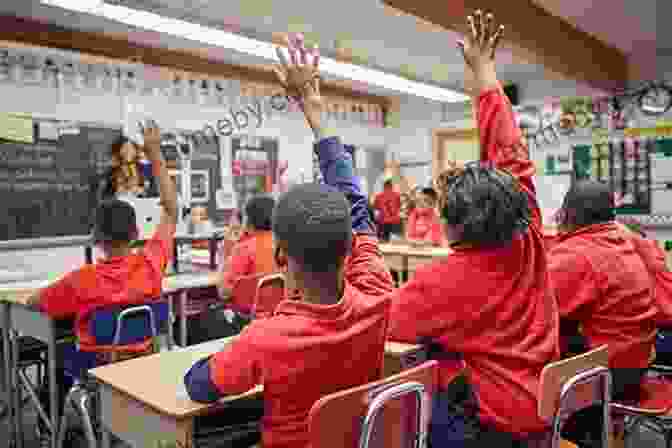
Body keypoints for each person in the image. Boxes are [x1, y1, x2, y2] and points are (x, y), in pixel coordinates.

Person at [183, 33, 394, 448]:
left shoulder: (267, 337)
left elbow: (200, 386)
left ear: (282, 256)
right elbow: (354, 201)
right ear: (351, 249)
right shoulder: (378, 294)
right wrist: (315, 111)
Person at [387, 11, 559, 447]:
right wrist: (485, 72)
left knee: (408, 384)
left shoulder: (445, 281)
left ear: (450, 225)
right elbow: (509, 149)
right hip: (545, 400)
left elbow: (385, 325)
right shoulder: (529, 231)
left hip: (495, 420)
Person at [25, 121, 178, 440]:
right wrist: (154, 153)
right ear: (136, 234)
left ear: (96, 238)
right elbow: (171, 210)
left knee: (57, 358)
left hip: (96, 370)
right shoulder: (152, 263)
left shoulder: (82, 280)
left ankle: (48, 431)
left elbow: (34, 303)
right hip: (142, 364)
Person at [548, 181, 657, 447]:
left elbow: (537, 308)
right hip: (636, 366)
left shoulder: (576, 255)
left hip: (604, 377)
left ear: (565, 215)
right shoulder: (621, 241)